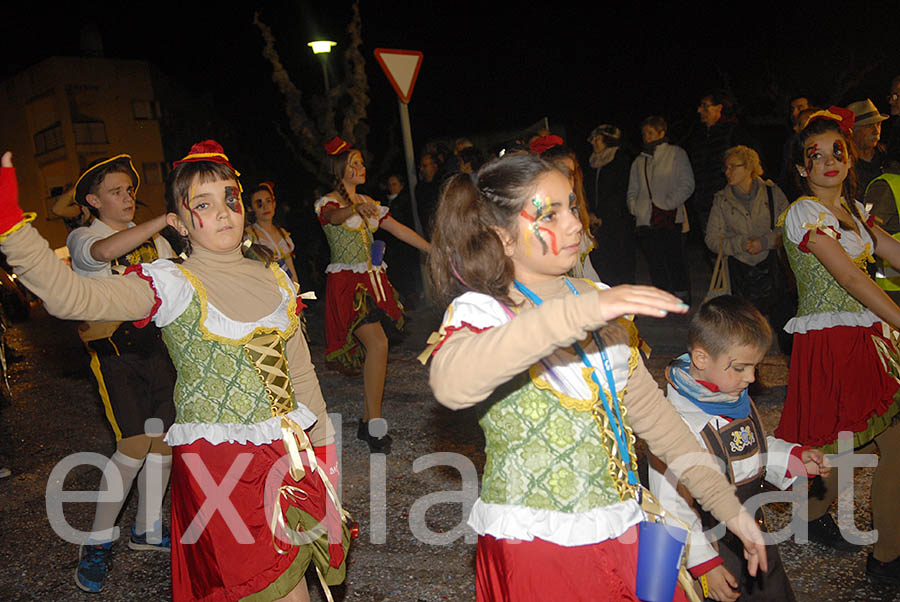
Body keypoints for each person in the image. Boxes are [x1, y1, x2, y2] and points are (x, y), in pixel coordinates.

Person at [0, 142, 349, 602]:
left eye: (230, 198)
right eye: (203, 204)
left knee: (297, 577)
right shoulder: (173, 282)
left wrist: (325, 464)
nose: (223, 212)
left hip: (291, 460)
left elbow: (303, 378)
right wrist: (10, 224)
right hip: (224, 470)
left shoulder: (275, 279)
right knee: (274, 590)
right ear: (181, 223)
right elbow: (71, 297)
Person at [424, 152, 768, 601]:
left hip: (623, 530)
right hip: (539, 550)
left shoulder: (595, 297)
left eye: (571, 205)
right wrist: (578, 313)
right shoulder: (485, 311)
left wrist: (729, 508)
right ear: (502, 237)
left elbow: (659, 423)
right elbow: (452, 383)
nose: (573, 224)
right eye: (549, 214)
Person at [774, 108, 900, 584]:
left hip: (870, 336)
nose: (828, 161)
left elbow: (892, 253)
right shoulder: (804, 212)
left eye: (836, 151)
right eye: (815, 155)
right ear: (803, 169)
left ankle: (869, 545)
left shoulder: (856, 213)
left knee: (855, 447)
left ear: (849, 161)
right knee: (845, 447)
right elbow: (848, 277)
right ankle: (883, 557)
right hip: (836, 342)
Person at [650, 295, 829, 602]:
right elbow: (671, 506)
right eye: (742, 368)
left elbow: (750, 446)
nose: (751, 378)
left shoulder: (732, 398)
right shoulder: (673, 425)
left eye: (754, 367)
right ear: (702, 359)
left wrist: (794, 458)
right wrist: (705, 565)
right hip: (710, 546)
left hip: (753, 531)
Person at [64, 155, 177, 593]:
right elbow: (107, 253)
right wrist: (162, 221)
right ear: (93, 201)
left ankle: (147, 529)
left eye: (130, 189)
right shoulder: (83, 237)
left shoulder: (158, 243)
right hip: (116, 355)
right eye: (116, 191)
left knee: (163, 444)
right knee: (131, 447)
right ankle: (96, 543)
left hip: (159, 353)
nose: (128, 197)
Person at [315, 137, 430, 453]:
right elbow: (335, 218)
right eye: (355, 163)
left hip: (373, 282)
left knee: (378, 348)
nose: (361, 167)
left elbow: (398, 229)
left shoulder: (368, 201)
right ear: (341, 169)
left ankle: (369, 421)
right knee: (377, 344)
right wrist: (354, 206)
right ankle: (373, 425)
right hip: (347, 287)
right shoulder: (328, 203)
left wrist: (432, 250)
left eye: (362, 163)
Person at [704, 145, 789, 326]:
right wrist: (740, 243)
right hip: (738, 273)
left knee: (778, 320)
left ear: (749, 167)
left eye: (734, 166)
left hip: (772, 268)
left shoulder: (772, 193)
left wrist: (765, 242)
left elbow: (789, 228)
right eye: (726, 167)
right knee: (743, 323)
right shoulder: (721, 199)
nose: (727, 171)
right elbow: (711, 239)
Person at [627, 115, 695, 303]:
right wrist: (636, 208)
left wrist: (668, 203)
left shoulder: (676, 154)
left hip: (670, 217)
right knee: (655, 262)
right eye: (644, 133)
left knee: (675, 258)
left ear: (661, 132)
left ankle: (681, 296)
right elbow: (632, 189)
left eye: (650, 133)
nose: (646, 137)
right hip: (646, 219)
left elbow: (687, 184)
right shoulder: (640, 160)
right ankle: (662, 298)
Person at [539, 140, 601, 281]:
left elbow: (585, 266)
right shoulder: (541, 219)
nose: (565, 180)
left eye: (570, 174)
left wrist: (598, 291)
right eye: (559, 172)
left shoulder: (577, 214)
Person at [586, 124, 636, 286]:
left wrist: (603, 214)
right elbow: (588, 192)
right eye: (592, 139)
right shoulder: (591, 163)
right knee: (603, 267)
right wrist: (591, 213)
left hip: (617, 220)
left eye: (597, 139)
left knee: (621, 265)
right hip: (597, 223)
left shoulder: (620, 159)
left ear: (607, 140)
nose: (593, 142)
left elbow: (621, 191)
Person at [246, 181, 298, 282]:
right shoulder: (250, 236)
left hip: (288, 290)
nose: (265, 207)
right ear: (250, 208)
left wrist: (297, 293)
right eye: (259, 203)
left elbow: (291, 269)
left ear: (274, 203)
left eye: (268, 201)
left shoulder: (282, 233)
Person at [846, 98, 888, 198]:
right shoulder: (845, 166)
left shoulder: (887, 156)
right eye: (869, 126)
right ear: (852, 132)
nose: (876, 131)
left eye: (878, 124)